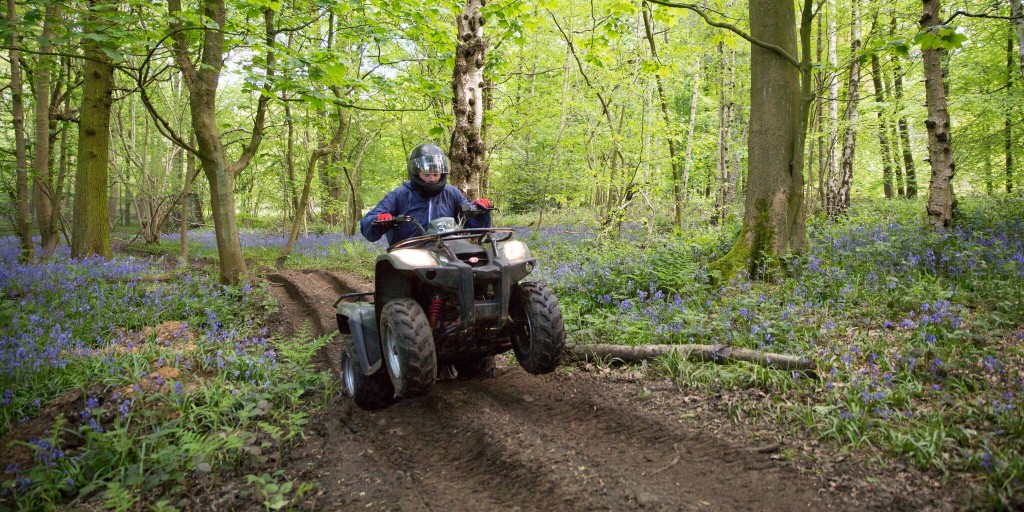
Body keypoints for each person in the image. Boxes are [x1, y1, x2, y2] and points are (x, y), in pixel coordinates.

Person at [361, 143, 492, 245]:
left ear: (442, 173)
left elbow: (474, 226)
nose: (432, 179)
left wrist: (481, 211)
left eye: (436, 174)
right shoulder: (399, 195)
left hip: (447, 252)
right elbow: (367, 224)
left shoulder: (452, 193)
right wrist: (379, 220)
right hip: (407, 254)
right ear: (417, 173)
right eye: (427, 174)